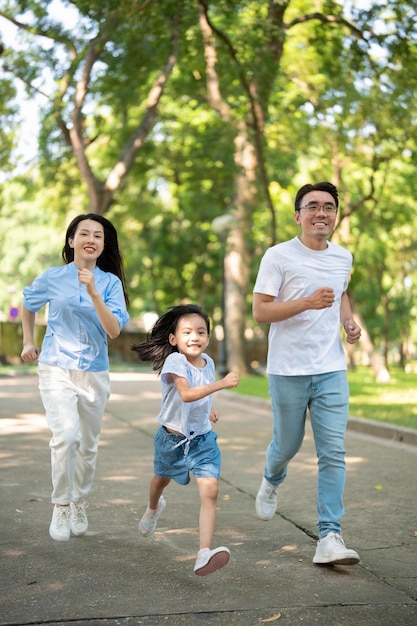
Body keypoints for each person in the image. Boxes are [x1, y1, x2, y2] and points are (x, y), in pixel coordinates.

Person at [253, 182, 361, 566]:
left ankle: (329, 535)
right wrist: (307, 303)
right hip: (288, 369)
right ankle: (272, 476)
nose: (322, 212)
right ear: (298, 215)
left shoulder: (343, 257)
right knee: (287, 444)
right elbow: (262, 312)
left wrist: (348, 323)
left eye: (329, 207)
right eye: (312, 206)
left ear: (335, 216)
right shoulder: (278, 256)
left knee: (333, 452)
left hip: (331, 368)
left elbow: (341, 294)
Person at [21, 214, 130, 542]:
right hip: (56, 366)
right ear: (71, 241)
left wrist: (94, 291)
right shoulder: (53, 278)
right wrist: (28, 340)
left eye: (98, 235)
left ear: (103, 245)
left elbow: (113, 331)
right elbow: (28, 303)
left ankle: (80, 500)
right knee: (66, 435)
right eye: (84, 233)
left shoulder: (110, 284)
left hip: (94, 371)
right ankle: (61, 504)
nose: (91, 239)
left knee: (88, 445)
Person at [131, 304, 240, 576]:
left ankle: (204, 553)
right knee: (160, 480)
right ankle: (154, 508)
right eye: (187, 332)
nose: (195, 337)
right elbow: (187, 394)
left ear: (208, 338)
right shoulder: (176, 361)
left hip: (202, 440)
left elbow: (200, 397)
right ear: (174, 339)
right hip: (172, 441)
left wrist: (209, 408)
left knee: (211, 491)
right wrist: (222, 384)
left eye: (201, 332)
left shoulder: (209, 362)